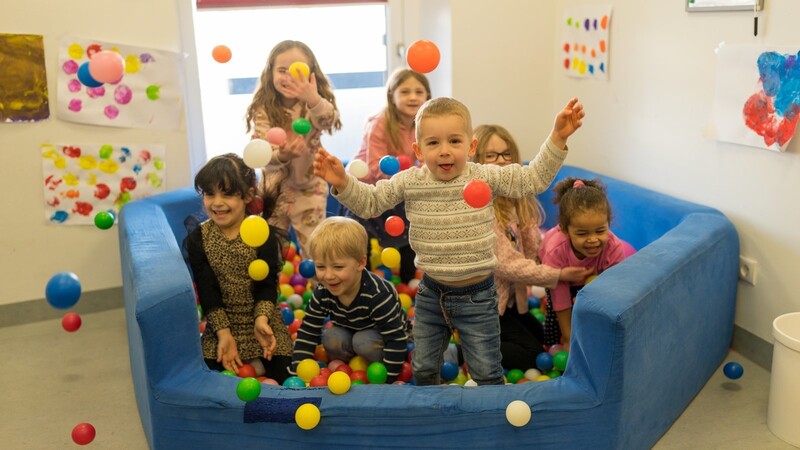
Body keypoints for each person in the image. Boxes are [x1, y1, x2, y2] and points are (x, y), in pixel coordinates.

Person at [313, 96, 585, 385]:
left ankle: (486, 422)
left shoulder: (483, 175)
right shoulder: (411, 181)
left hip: (478, 296)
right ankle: (431, 420)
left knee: (486, 372)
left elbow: (532, 179)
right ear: (418, 150)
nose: (444, 152)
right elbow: (371, 202)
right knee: (423, 369)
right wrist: (343, 182)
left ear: (471, 146)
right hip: (432, 293)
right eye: (433, 143)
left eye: (454, 142)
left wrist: (557, 138)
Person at [472, 124, 592, 370]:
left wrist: (569, 252)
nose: (501, 162)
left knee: (545, 341)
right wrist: (557, 275)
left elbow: (536, 247)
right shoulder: (479, 209)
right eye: (491, 156)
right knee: (532, 357)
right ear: (476, 162)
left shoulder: (515, 200)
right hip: (482, 307)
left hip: (510, 303)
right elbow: (506, 264)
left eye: (506, 154)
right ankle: (467, 349)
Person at [183, 153, 292, 383]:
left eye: (228, 194)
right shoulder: (199, 238)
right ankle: (249, 364)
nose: (217, 202)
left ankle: (260, 366)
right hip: (223, 322)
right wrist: (224, 334)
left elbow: (267, 284)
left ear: (247, 195)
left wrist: (261, 320)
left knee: (285, 376)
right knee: (213, 378)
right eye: (210, 194)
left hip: (260, 320)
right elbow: (206, 288)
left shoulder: (262, 234)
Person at [245, 40, 341, 258]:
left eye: (298, 71)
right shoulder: (264, 108)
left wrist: (313, 98)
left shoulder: (313, 105)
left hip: (309, 188)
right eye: (281, 70)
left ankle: (322, 289)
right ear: (270, 73)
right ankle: (269, 290)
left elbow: (328, 120)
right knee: (269, 250)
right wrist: (282, 155)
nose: (289, 77)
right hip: (273, 191)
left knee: (316, 248)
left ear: (311, 75)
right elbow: (259, 152)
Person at [290, 216, 408, 383]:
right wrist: (297, 374)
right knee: (331, 338)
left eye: (338, 267)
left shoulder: (378, 294)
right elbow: (308, 330)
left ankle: (371, 364)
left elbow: (395, 340)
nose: (329, 276)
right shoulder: (323, 290)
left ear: (360, 263)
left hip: (382, 337)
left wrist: (387, 379)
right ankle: (348, 365)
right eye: (321, 267)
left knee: (362, 341)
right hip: (349, 332)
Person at [345, 68, 431, 283]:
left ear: (427, 97)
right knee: (358, 237)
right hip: (366, 189)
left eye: (419, 92)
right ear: (392, 96)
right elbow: (374, 165)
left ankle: (408, 282)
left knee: (410, 230)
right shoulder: (380, 122)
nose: (412, 97)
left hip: (398, 188)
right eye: (405, 92)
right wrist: (407, 180)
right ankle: (362, 281)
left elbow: (425, 157)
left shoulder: (423, 124)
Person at [538, 177, 629, 351]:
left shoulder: (613, 247)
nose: (593, 239)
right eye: (582, 234)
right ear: (564, 229)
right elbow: (560, 299)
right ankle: (552, 342)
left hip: (592, 281)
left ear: (608, 224)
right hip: (559, 277)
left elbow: (615, 291)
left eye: (600, 230)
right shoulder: (555, 250)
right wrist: (568, 336)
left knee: (589, 312)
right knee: (554, 320)